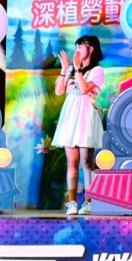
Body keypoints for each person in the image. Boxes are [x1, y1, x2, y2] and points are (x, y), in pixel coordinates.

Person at [52, 35, 105, 215]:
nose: (77, 51)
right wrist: (65, 68)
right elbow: (59, 91)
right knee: (71, 161)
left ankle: (89, 202)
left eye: (80, 47)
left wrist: (78, 69)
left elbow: (84, 89)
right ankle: (72, 202)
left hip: (86, 116)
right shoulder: (71, 69)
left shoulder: (97, 70)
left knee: (86, 161)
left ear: (91, 49)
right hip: (70, 116)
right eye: (76, 47)